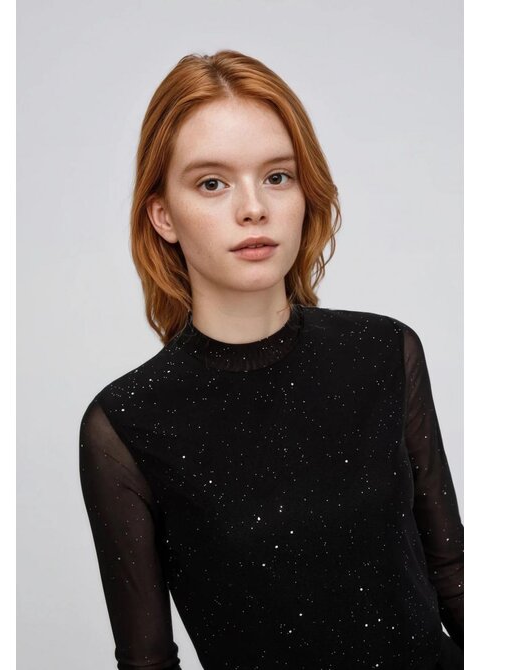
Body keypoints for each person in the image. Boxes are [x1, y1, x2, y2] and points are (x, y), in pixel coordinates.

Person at [78, 49, 464, 670]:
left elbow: (454, 573)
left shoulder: (384, 353)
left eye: (278, 176)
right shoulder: (126, 424)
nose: (253, 207)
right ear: (163, 215)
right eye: (212, 183)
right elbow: (146, 661)